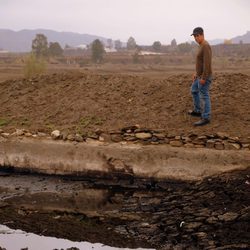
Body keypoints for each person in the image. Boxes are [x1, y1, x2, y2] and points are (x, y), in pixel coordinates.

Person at [188, 27, 212, 126]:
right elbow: (200, 63)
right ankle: (198, 110)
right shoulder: (201, 45)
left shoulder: (205, 45)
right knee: (194, 90)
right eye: (194, 36)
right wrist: (196, 74)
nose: (195, 38)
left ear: (202, 35)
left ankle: (206, 117)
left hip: (204, 76)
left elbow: (207, 63)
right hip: (199, 75)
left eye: (197, 36)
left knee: (204, 95)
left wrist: (203, 77)